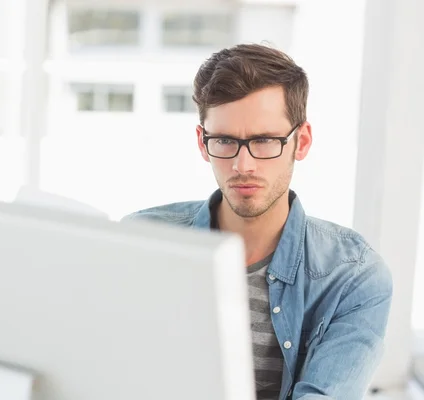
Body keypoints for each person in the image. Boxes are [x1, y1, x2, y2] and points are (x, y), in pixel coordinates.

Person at [122, 44, 392, 400]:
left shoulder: (352, 275)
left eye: (264, 141)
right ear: (203, 144)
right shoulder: (139, 241)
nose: (243, 165)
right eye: (224, 140)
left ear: (302, 142)